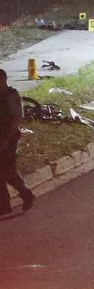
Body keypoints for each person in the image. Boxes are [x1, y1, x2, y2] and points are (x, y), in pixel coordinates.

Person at [1, 69, 34, 215]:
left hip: (8, 138)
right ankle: (3, 205)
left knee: (7, 171)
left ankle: (26, 193)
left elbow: (16, 118)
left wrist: (6, 138)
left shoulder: (11, 96)